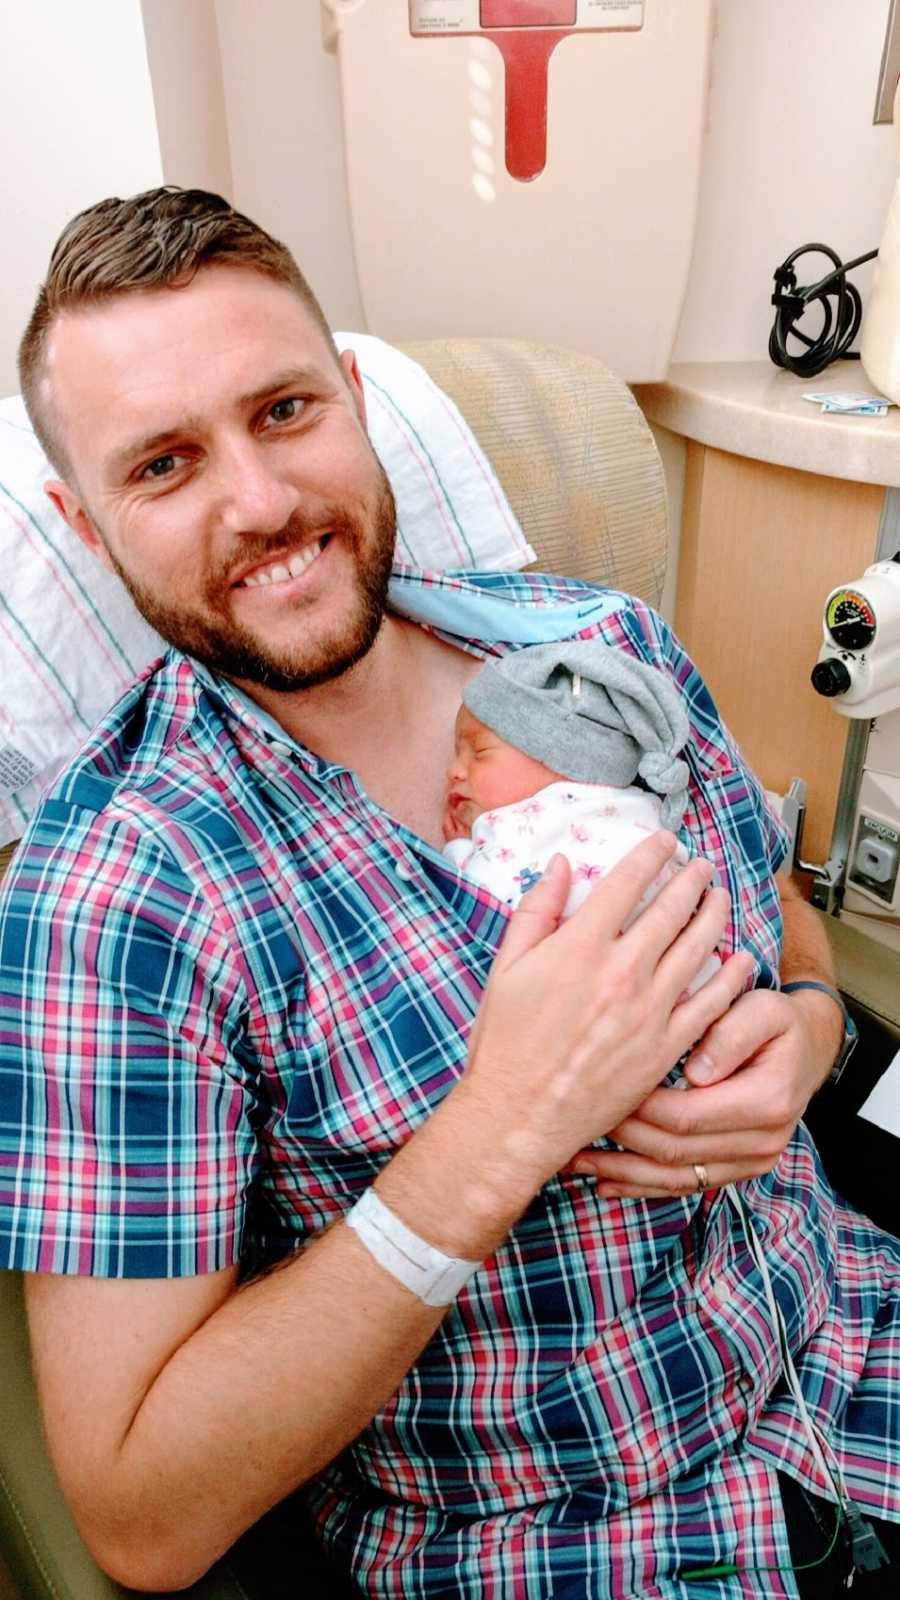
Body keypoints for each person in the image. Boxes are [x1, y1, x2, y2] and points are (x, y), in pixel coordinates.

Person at [0, 187, 897, 1600]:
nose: (262, 500)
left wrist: (800, 1043)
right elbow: (138, 1512)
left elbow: (784, 934)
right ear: (89, 525)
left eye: (285, 410)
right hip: (593, 1548)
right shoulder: (123, 899)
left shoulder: (606, 647)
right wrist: (496, 1134)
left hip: (858, 1359)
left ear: (352, 398)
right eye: (164, 465)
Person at [442, 639, 721, 999]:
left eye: (478, 753)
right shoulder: (644, 807)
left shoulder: (524, 822)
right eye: (455, 754)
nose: (453, 771)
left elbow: (487, 901)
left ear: (562, 760)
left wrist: (460, 852)